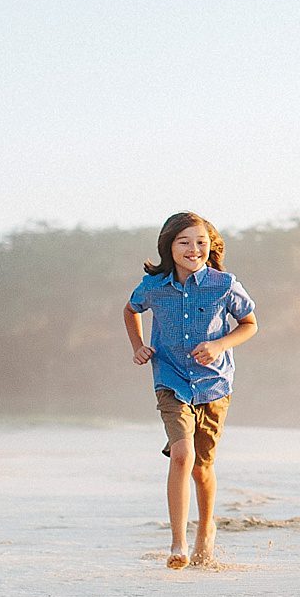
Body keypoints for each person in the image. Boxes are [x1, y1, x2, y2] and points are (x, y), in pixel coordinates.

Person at [122, 212, 257, 569]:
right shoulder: (153, 286)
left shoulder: (224, 284)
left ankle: (205, 531)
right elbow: (131, 309)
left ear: (211, 246)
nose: (193, 249)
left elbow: (249, 325)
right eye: (184, 242)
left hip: (214, 384)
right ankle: (178, 543)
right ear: (169, 246)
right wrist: (138, 345)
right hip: (170, 378)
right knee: (182, 454)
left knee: (202, 467)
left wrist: (220, 345)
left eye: (200, 242)